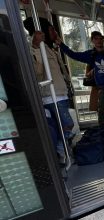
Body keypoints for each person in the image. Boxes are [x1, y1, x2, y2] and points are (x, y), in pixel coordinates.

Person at [23, 17, 74, 163]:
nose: (55, 32)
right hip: (52, 96)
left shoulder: (49, 47)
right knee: (66, 124)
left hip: (59, 93)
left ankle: (63, 152)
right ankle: (60, 152)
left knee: (62, 126)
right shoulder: (36, 48)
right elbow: (37, 73)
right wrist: (36, 46)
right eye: (52, 29)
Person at [55, 31, 104, 127]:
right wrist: (61, 45)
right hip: (102, 88)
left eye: (101, 38)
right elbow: (73, 54)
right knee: (103, 112)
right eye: (96, 39)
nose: (99, 41)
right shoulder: (91, 55)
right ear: (92, 41)